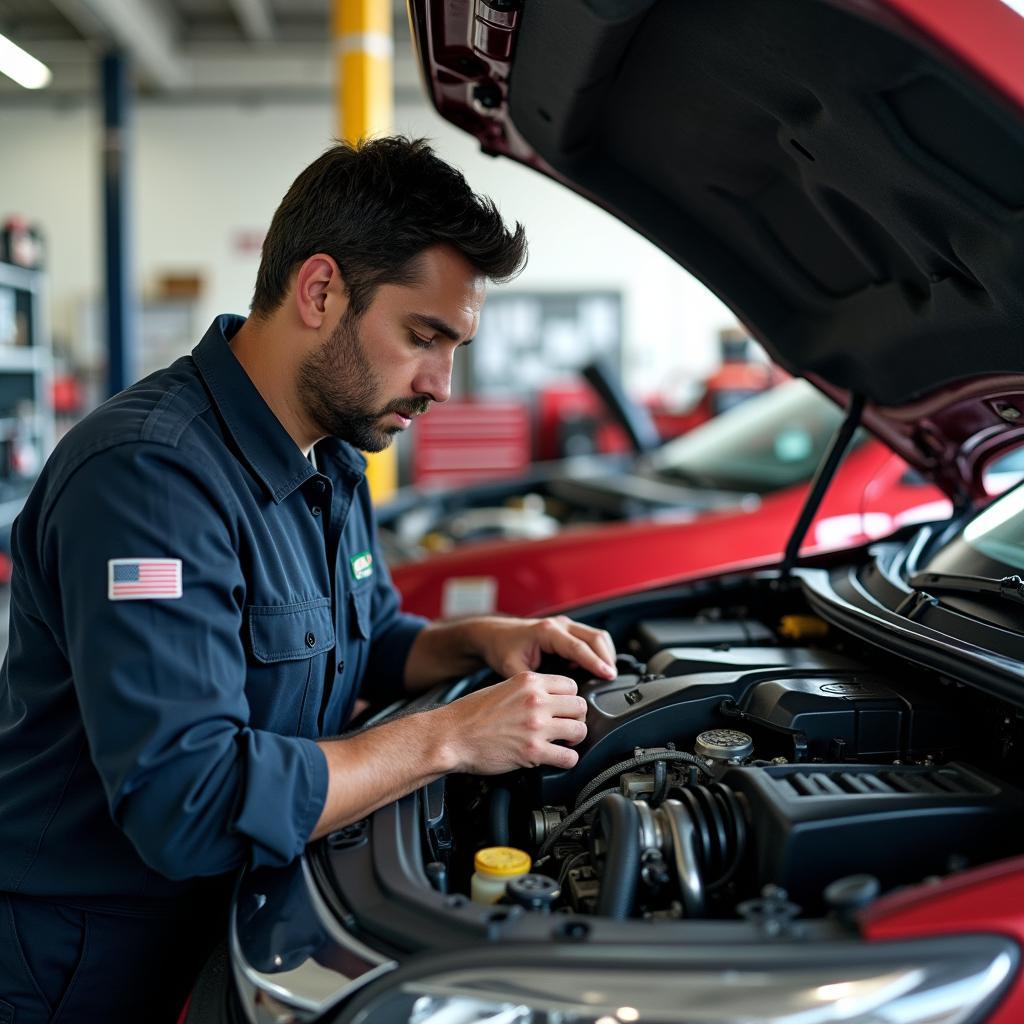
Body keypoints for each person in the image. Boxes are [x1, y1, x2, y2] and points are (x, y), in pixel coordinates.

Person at [0, 137, 617, 1022]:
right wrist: (449, 739)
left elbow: (366, 645)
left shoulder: (329, 457)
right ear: (320, 291)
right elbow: (189, 799)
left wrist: (487, 640)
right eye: (422, 336)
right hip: (76, 957)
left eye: (457, 345)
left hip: (222, 924)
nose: (442, 383)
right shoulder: (148, 479)